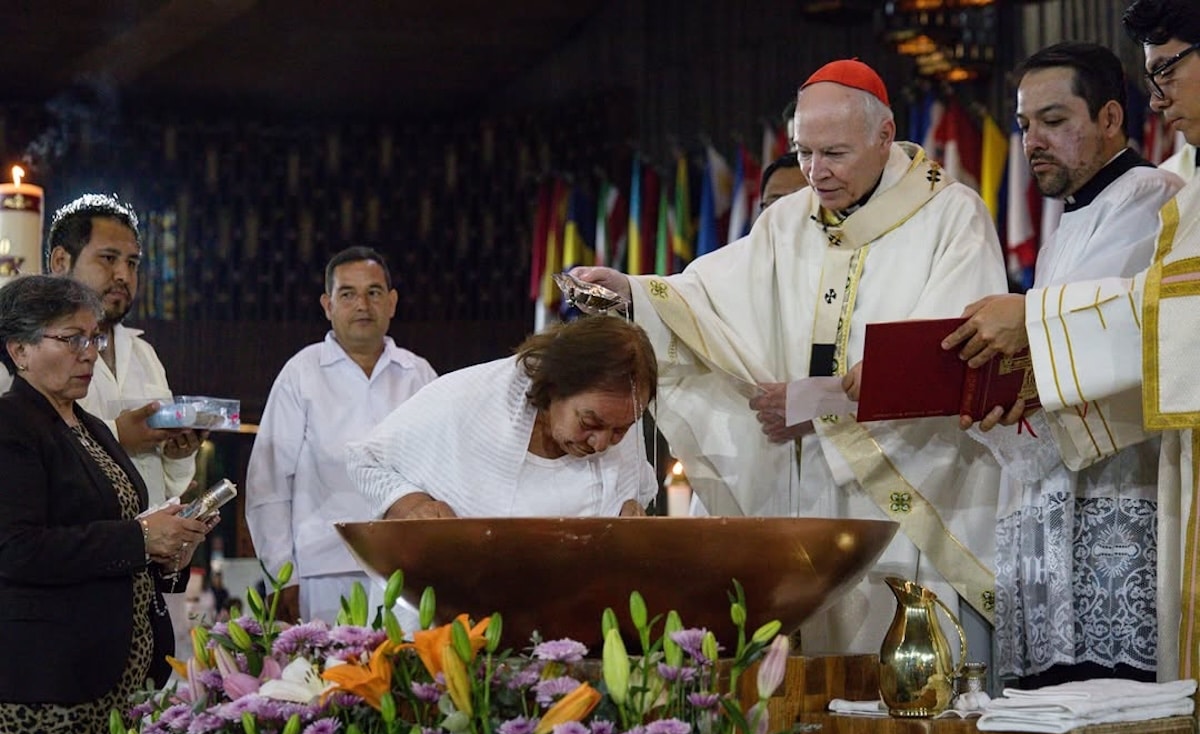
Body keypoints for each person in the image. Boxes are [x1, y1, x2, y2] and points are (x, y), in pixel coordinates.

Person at [575, 59, 1008, 655]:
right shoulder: (786, 222)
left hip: (909, 485)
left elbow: (950, 357)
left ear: (885, 138)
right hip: (810, 490)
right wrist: (631, 294)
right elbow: (708, 301)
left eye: (833, 153)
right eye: (803, 152)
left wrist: (821, 405)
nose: (815, 172)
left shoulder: (952, 217)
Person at [942, 0, 1200, 682]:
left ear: (1110, 119)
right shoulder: (1064, 231)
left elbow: (1150, 341)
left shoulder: (1161, 200)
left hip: (1121, 510)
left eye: (1054, 122)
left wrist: (1031, 317)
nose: (1033, 142)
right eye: (1025, 125)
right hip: (1055, 513)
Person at [0, 275, 211, 734]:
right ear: (19, 350)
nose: (89, 353)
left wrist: (171, 548)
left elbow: (123, 532)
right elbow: (16, 549)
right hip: (52, 686)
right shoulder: (11, 425)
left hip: (119, 679)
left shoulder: (89, 425)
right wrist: (141, 540)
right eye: (71, 339)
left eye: (93, 338)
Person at [45, 193, 205, 657]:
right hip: (71, 578)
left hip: (146, 578)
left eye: (133, 263)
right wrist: (119, 436)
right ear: (60, 260)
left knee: (150, 716)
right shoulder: (26, 350)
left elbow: (167, 480)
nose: (123, 276)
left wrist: (179, 453)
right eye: (108, 259)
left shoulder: (145, 354)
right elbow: (26, 453)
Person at [247, 246, 436, 625]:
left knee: (401, 679)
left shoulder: (419, 375)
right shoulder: (301, 373)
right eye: (347, 294)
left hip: (405, 568)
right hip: (321, 568)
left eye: (374, 292)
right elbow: (267, 485)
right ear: (327, 304)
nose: (362, 304)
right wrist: (280, 576)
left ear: (392, 302)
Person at [348, 314, 658, 522]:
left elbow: (632, 495)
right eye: (590, 424)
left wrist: (631, 517)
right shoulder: (468, 401)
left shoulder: (618, 406)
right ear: (555, 385)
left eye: (621, 430)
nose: (603, 442)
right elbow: (366, 459)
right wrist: (413, 505)